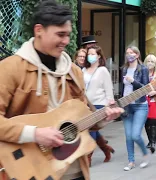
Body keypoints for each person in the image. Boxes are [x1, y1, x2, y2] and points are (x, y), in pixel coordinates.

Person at [0, 1, 123, 180]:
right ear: (39, 30)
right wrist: (35, 133)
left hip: (74, 170)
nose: (66, 41)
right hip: (30, 170)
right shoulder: (10, 69)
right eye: (60, 34)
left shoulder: (73, 72)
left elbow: (82, 118)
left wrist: (104, 117)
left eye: (68, 35)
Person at [82, 45, 115, 166]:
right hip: (86, 105)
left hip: (99, 104)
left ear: (99, 56)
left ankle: (88, 157)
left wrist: (109, 104)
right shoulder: (84, 70)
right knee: (91, 130)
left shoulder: (103, 70)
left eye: (93, 54)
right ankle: (106, 149)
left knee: (91, 131)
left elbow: (108, 88)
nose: (90, 56)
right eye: (88, 54)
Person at [121, 46, 150, 171]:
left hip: (140, 105)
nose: (129, 55)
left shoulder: (143, 69)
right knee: (128, 136)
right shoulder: (124, 69)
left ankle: (145, 154)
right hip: (126, 105)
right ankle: (131, 161)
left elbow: (146, 87)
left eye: (132, 53)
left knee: (135, 135)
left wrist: (133, 81)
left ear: (137, 55)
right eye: (127, 53)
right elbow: (123, 88)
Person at [143, 54, 156, 154]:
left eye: (152, 62)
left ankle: (153, 142)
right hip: (143, 100)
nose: (150, 63)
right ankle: (150, 140)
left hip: (154, 101)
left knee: (153, 121)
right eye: (148, 61)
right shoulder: (142, 73)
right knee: (146, 122)